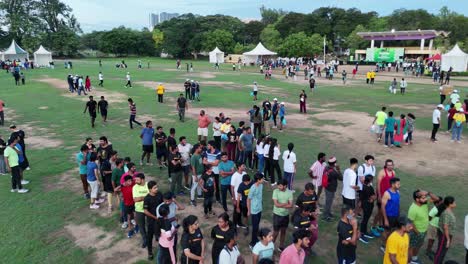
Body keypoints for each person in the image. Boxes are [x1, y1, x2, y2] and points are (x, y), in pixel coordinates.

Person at [407, 190, 440, 264]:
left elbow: (437, 199)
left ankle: (414, 258)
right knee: (411, 247)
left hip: (424, 230)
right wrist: (417, 232)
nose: (426, 199)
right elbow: (410, 223)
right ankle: (409, 261)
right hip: (416, 232)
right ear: (417, 199)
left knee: (419, 245)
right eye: (423, 198)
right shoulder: (413, 209)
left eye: (425, 197)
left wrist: (428, 193)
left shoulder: (424, 203)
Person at [143, 180, 163, 260]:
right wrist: (154, 217)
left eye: (157, 187)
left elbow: (162, 204)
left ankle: (162, 250)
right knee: (149, 237)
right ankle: (150, 252)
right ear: (150, 189)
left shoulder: (159, 194)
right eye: (155, 188)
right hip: (151, 221)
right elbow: (145, 211)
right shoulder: (147, 198)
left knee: (161, 235)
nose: (157, 189)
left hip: (160, 220)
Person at [380, 177, 401, 252]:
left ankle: (389, 243)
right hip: (388, 216)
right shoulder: (387, 193)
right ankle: (383, 245)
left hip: (395, 216)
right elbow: (382, 207)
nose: (399, 185)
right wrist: (385, 219)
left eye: (399, 184)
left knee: (393, 231)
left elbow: (398, 204)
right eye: (398, 184)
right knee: (387, 231)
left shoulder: (398, 192)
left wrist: (398, 214)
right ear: (392, 184)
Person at [434, 196, 456, 264]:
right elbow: (445, 227)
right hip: (444, 235)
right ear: (450, 204)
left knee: (443, 251)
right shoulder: (447, 213)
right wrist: (448, 239)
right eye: (454, 202)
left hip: (446, 235)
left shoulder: (448, 211)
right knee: (440, 252)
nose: (455, 203)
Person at [272, 179, 293, 251]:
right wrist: (285, 204)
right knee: (275, 232)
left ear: (285, 186)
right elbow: (276, 204)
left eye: (280, 186)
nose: (278, 187)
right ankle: (271, 246)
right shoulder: (275, 191)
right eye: (278, 185)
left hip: (285, 215)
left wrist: (280, 205)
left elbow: (290, 205)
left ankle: (281, 246)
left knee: (283, 231)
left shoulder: (289, 193)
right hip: (277, 215)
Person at [322, 156, 342, 221]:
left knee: (328, 201)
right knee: (328, 202)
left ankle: (328, 213)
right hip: (330, 189)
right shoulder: (333, 172)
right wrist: (338, 169)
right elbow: (341, 178)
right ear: (334, 163)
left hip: (327, 187)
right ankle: (325, 216)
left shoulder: (326, 168)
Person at [248, 173, 264, 248]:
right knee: (254, 227)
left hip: (259, 208)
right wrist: (249, 210)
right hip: (254, 210)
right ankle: (252, 243)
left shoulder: (261, 185)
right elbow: (248, 199)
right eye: (262, 179)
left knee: (257, 225)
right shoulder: (252, 188)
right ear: (258, 180)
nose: (263, 180)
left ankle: (255, 239)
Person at [359, 175, 377, 243]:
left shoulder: (367, 187)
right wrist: (372, 198)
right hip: (367, 206)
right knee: (364, 220)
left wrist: (373, 198)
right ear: (370, 180)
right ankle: (361, 235)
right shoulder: (367, 188)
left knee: (366, 219)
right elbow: (372, 197)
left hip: (367, 205)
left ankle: (364, 232)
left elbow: (373, 196)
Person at [133, 173, 149, 248]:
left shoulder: (148, 185)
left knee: (151, 224)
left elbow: (153, 195)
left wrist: (141, 198)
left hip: (149, 208)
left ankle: (156, 235)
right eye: (135, 179)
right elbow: (135, 199)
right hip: (139, 210)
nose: (135, 181)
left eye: (137, 179)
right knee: (141, 226)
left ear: (142, 180)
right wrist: (146, 197)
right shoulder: (135, 187)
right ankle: (145, 239)